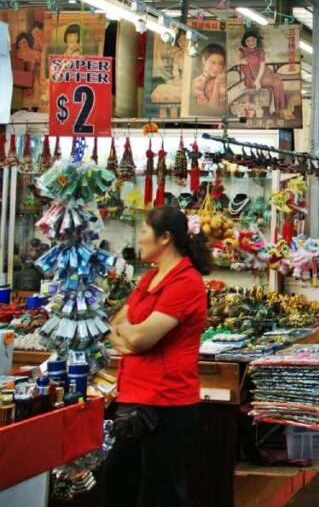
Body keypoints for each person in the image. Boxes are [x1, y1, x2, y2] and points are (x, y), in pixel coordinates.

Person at [105, 206, 213, 507]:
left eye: (143, 232)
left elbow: (139, 339)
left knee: (161, 493)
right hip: (133, 397)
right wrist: (128, 333)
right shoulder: (149, 278)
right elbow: (113, 325)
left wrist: (128, 333)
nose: (138, 239)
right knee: (118, 481)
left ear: (164, 238)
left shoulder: (185, 283)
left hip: (167, 404)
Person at [238, 30, 293, 119]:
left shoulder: (260, 51)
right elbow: (235, 63)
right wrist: (240, 62)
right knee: (276, 82)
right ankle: (281, 110)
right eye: (248, 41)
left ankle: (280, 108)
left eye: (252, 40)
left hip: (261, 76)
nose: (250, 42)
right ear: (245, 42)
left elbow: (262, 66)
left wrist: (258, 80)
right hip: (251, 79)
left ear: (256, 40)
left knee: (278, 79)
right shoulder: (242, 52)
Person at [191, 43, 227, 111]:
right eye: (213, 62)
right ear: (204, 60)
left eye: (220, 64)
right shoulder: (197, 83)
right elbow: (210, 109)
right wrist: (217, 84)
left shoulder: (223, 80)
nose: (216, 68)